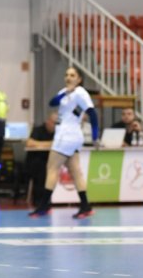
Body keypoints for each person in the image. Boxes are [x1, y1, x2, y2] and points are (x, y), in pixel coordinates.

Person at [33, 67, 99, 219]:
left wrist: (95, 136)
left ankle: (43, 206)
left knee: (52, 169)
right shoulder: (65, 91)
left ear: (79, 79)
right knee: (76, 171)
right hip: (69, 137)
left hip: (67, 136)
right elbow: (52, 103)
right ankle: (86, 206)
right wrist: (66, 92)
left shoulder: (81, 93)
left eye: (72, 75)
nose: (68, 77)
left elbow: (92, 113)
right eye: (67, 75)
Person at [25, 111, 57, 217]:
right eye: (53, 123)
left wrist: (39, 144)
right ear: (48, 121)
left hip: (50, 161)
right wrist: (48, 144)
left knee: (50, 169)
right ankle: (39, 202)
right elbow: (29, 143)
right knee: (40, 169)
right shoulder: (38, 129)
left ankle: (47, 202)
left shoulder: (57, 132)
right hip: (35, 161)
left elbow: (58, 144)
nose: (55, 125)